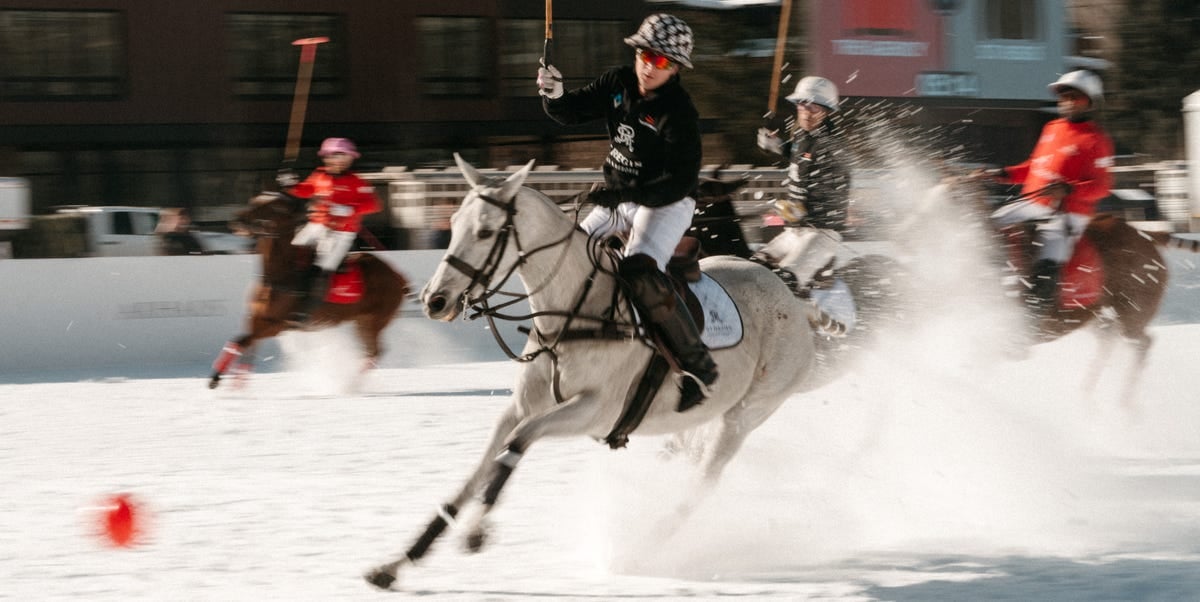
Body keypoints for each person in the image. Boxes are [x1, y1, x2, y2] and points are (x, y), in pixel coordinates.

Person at [537, 13, 716, 409]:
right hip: (618, 197)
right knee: (569, 255)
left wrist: (626, 194)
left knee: (639, 270)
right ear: (636, 51)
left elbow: (680, 180)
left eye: (663, 61)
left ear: (676, 68)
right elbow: (570, 112)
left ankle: (696, 366)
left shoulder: (679, 112)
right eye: (646, 54)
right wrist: (554, 94)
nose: (650, 66)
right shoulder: (617, 81)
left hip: (667, 203)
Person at [984, 70, 1114, 316]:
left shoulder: (1097, 139)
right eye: (1064, 96)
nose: (1068, 102)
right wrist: (1001, 173)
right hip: (1031, 202)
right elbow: (1033, 168)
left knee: (1047, 264)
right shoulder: (1052, 128)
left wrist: (1069, 188)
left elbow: (1102, 186)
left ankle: (1030, 323)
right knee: (985, 229)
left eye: (1076, 97)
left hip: (1067, 213)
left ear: (1090, 103)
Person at [754, 76, 851, 295]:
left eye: (813, 107)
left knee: (784, 284)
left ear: (826, 110)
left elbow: (834, 192)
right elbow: (800, 155)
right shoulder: (802, 134)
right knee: (755, 267)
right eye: (802, 105)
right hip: (794, 231)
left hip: (820, 234)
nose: (806, 112)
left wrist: (803, 209)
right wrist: (777, 146)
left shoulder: (832, 144)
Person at [276, 137, 382, 324]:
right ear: (326, 158)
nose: (340, 160)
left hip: (341, 233)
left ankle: (306, 311)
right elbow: (304, 190)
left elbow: (374, 204)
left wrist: (351, 209)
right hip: (316, 226)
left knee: (322, 269)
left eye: (345, 157)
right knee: (291, 255)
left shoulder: (357, 182)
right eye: (335, 156)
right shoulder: (319, 176)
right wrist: (289, 184)